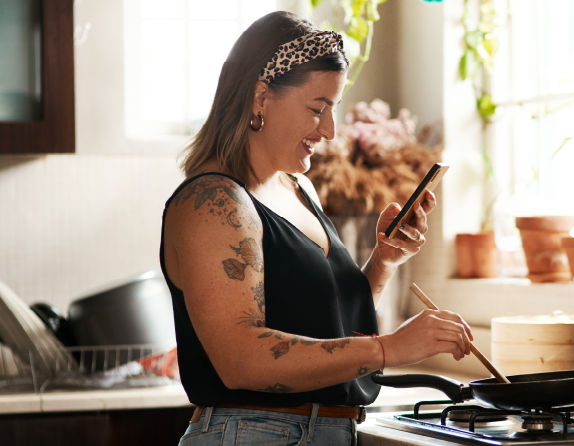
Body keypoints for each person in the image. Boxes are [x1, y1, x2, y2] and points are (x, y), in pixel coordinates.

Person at [159, 10, 474, 446]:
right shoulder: (212, 202)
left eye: (335, 109)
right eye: (317, 108)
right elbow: (241, 359)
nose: (329, 130)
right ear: (260, 98)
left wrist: (383, 262)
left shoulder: (299, 189)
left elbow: (324, 325)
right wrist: (389, 349)